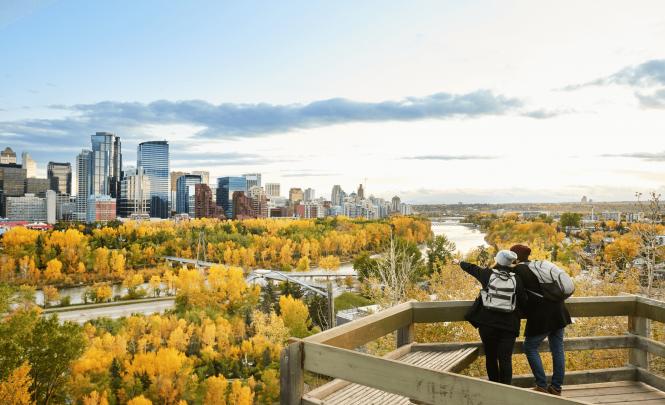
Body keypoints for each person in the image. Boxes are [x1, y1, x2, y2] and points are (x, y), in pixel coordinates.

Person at [456, 250, 527, 385]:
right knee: (505, 359)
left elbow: (472, 268)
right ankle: (506, 392)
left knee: (491, 357)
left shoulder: (488, 274)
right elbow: (523, 301)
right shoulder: (516, 279)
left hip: (487, 324)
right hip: (509, 326)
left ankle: (494, 389)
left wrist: (459, 262)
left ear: (498, 261)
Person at [511, 244, 572, 396]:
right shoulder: (538, 266)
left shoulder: (519, 270)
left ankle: (541, 385)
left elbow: (519, 293)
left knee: (530, 347)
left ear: (516, 258)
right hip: (559, 311)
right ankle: (556, 388)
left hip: (542, 315)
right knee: (557, 349)